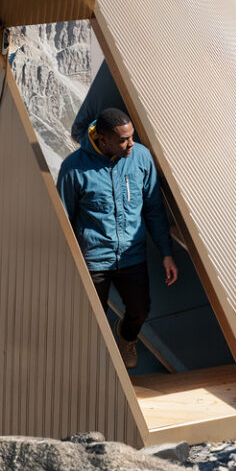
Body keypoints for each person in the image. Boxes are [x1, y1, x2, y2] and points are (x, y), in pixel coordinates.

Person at [56, 107, 179, 369]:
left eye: (131, 136)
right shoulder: (73, 168)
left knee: (140, 310)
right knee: (92, 320)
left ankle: (126, 336)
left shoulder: (141, 158)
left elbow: (154, 209)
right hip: (93, 259)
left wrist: (166, 253)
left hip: (132, 255)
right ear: (102, 139)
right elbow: (63, 220)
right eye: (123, 139)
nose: (131, 143)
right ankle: (100, 367)